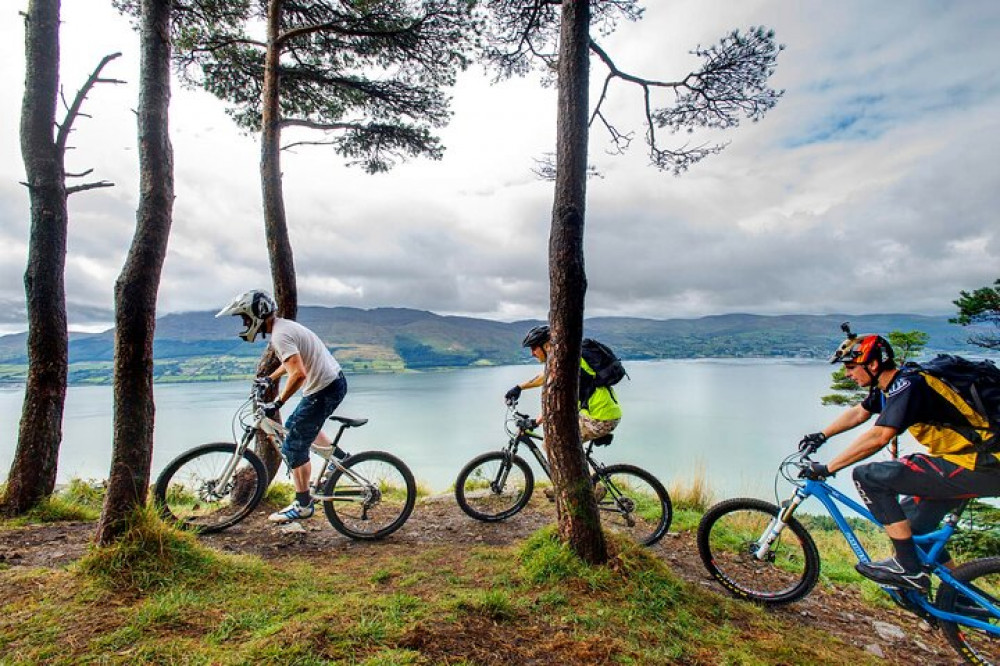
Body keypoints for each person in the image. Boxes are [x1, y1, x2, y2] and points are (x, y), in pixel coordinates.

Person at [800, 332, 1000, 593]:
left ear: (872, 365)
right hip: (971, 463)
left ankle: (909, 571)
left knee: (869, 476)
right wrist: (822, 435)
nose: (848, 374)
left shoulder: (908, 385)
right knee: (913, 525)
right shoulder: (890, 387)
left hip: (985, 465)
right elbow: (860, 412)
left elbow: (880, 436)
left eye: (851, 367)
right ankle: (963, 596)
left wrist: (828, 468)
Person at [217, 289, 348, 523]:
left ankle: (303, 504)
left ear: (257, 315)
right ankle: (341, 460)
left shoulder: (280, 335)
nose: (245, 323)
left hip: (326, 388)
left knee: (294, 446)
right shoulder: (282, 328)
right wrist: (271, 378)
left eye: (246, 318)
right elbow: (291, 364)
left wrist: (277, 402)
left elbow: (298, 374)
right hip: (329, 384)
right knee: (297, 425)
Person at [504, 325, 622, 446]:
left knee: (551, 444)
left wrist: (536, 422)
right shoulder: (566, 358)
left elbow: (555, 404)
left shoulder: (564, 366)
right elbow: (545, 376)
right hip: (599, 412)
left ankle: (578, 465)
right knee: (557, 428)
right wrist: (519, 387)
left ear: (546, 346)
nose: (532, 353)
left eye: (534, 348)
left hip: (599, 418)